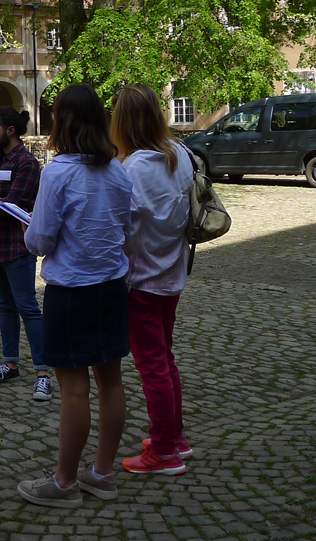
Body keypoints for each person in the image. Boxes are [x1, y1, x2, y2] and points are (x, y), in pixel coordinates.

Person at [18, 85, 133, 508]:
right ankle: (101, 473)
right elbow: (127, 232)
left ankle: (64, 482)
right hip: (111, 286)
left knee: (73, 390)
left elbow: (41, 240)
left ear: (62, 122)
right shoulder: (119, 171)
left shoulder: (59, 172)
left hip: (71, 291)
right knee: (111, 382)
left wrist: (28, 228)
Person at [111, 84, 195, 475]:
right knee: (166, 359)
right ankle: (173, 436)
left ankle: (163, 451)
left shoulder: (132, 168)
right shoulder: (180, 153)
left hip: (142, 279)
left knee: (152, 366)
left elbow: (124, 231)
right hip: (172, 273)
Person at [0, 107, 50, 398]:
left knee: (28, 308)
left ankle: (43, 372)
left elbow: (12, 207)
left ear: (10, 131)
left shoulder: (27, 163)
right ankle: (10, 364)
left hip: (17, 246)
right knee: (5, 307)